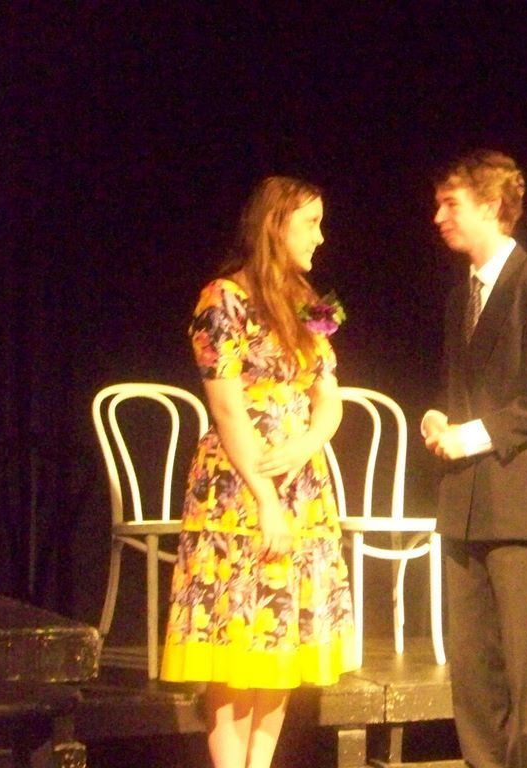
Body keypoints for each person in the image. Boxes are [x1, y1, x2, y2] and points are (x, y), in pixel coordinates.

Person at [161, 176, 357, 768]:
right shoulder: (221, 299)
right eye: (310, 223)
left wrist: (303, 447)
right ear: (276, 225)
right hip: (238, 489)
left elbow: (329, 400)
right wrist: (266, 497)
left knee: (279, 644)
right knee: (236, 644)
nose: (320, 237)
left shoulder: (311, 303)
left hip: (302, 484)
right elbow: (226, 408)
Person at [422, 150, 527, 768]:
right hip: (465, 501)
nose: (439, 216)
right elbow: (474, 394)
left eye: (451, 204)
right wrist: (443, 422)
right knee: (471, 669)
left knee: (521, 668)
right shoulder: (458, 299)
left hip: (521, 502)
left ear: (491, 207)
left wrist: (474, 435)